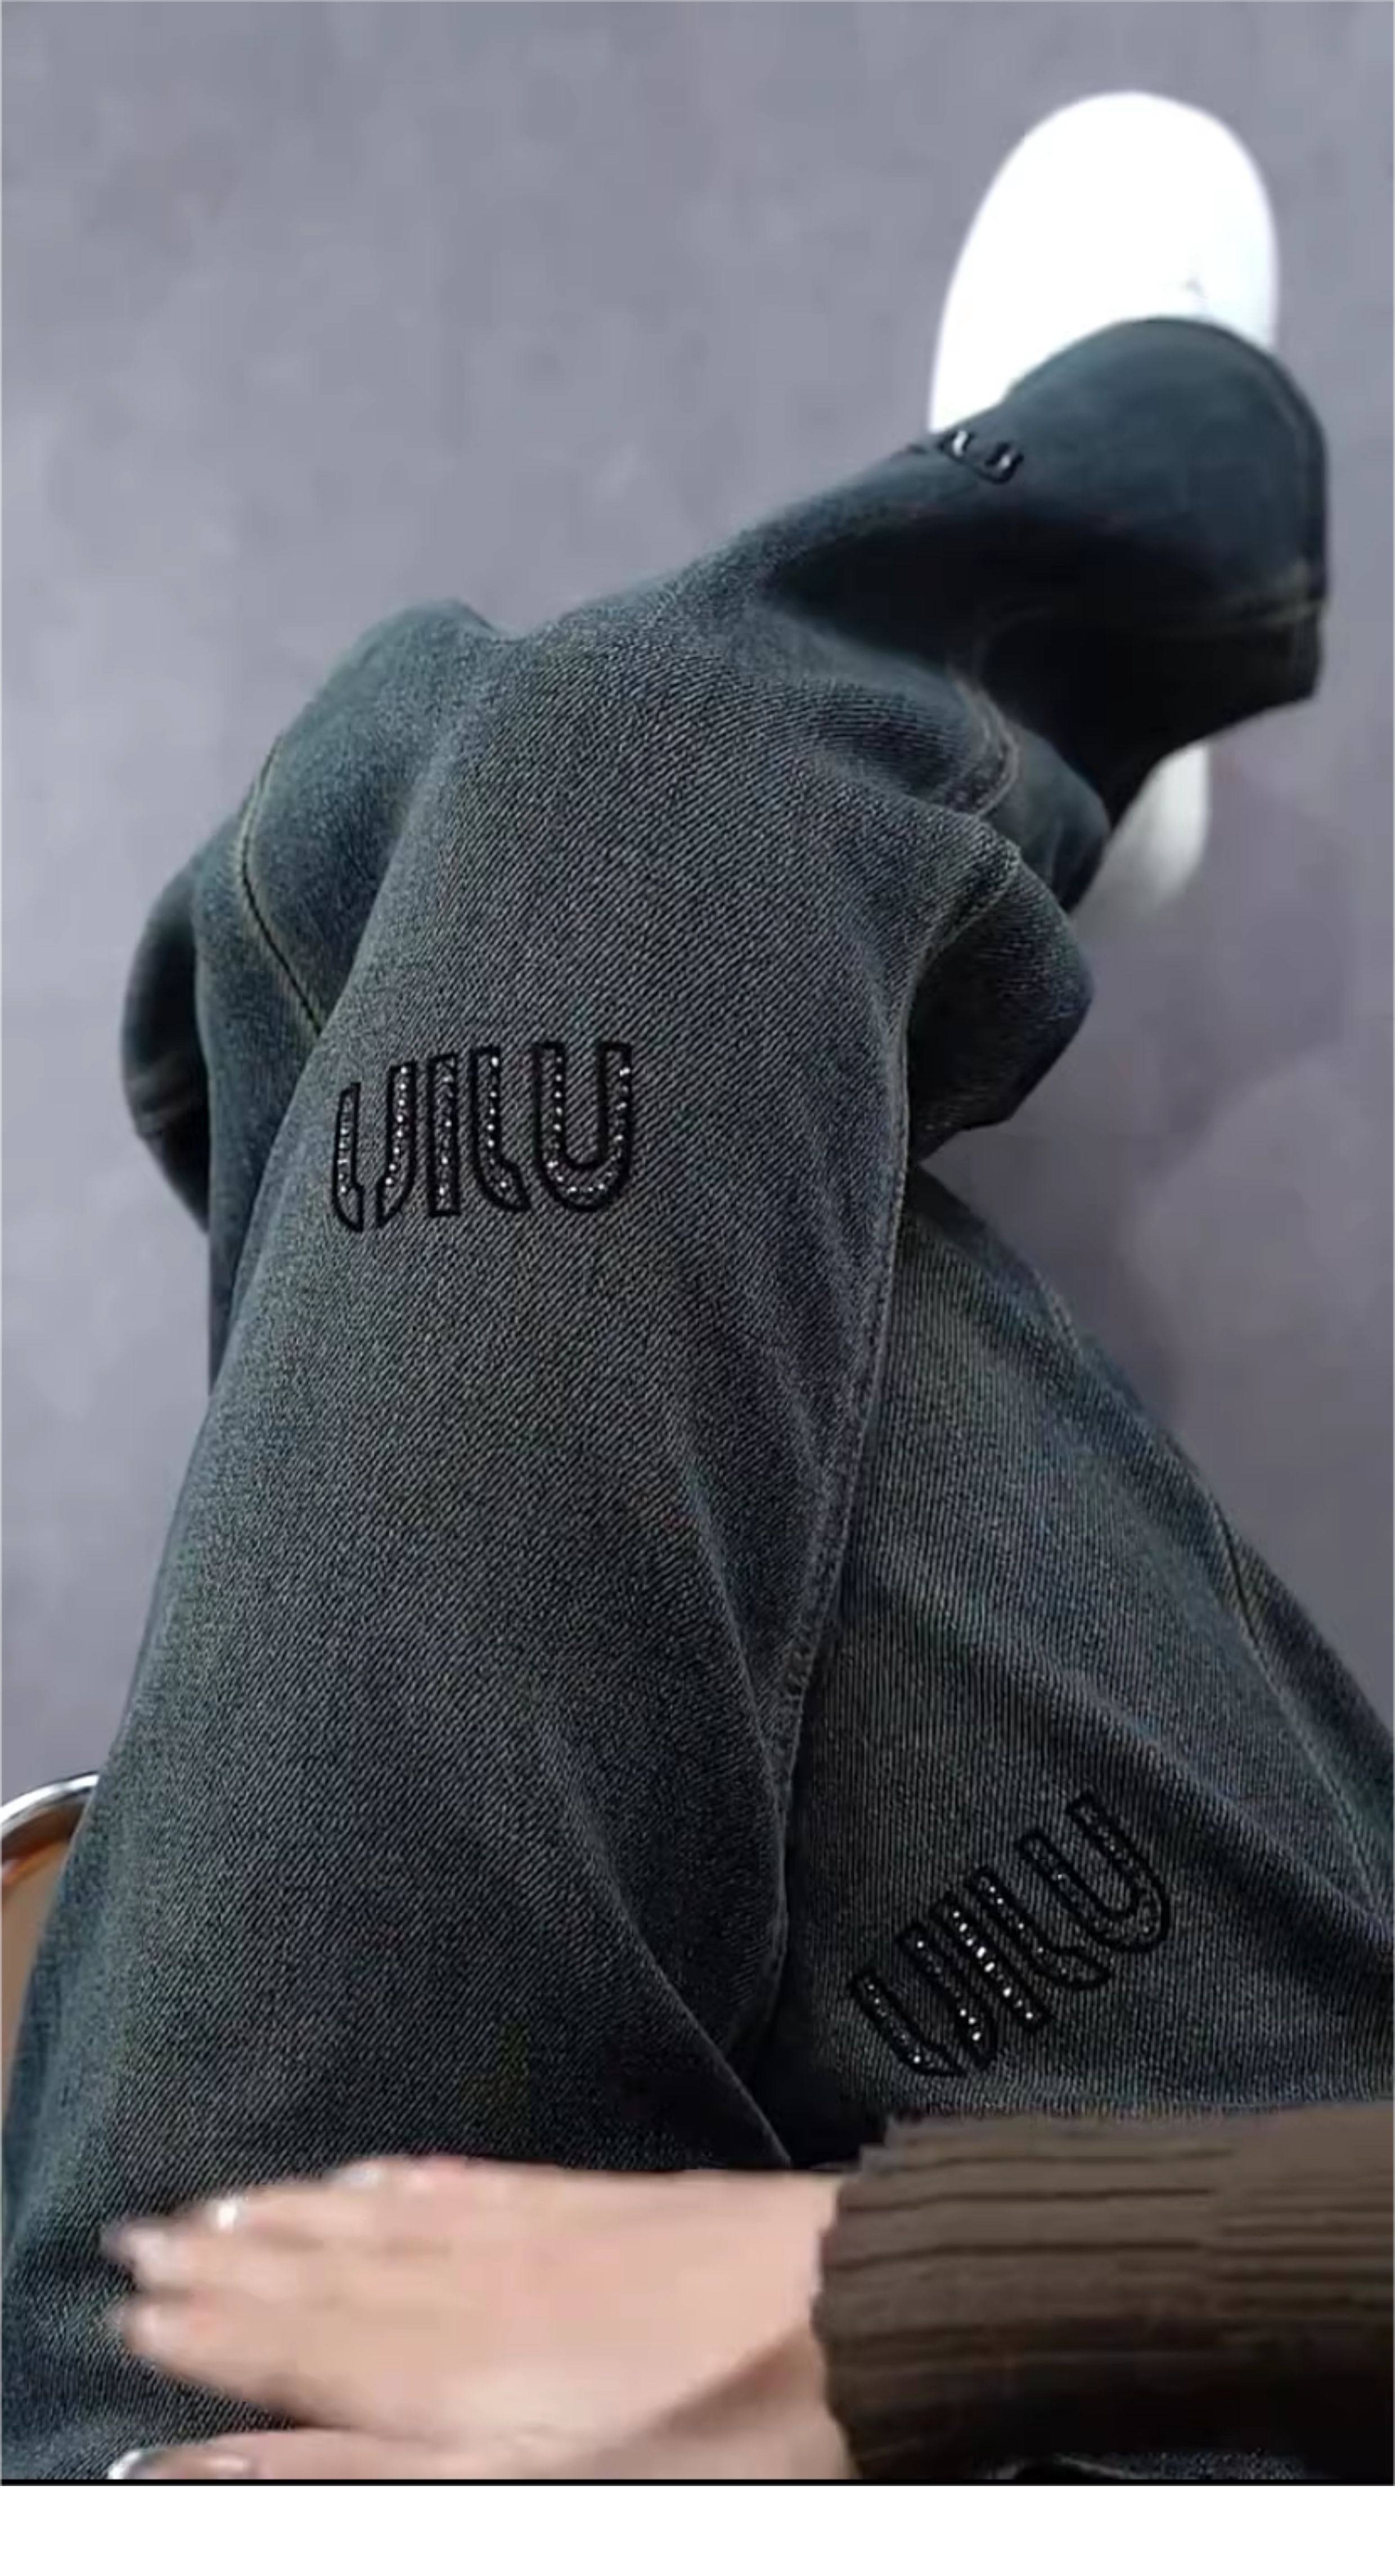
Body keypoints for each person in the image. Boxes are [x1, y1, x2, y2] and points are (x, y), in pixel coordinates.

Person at [3, 95, 1390, 2484]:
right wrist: (933, 2295)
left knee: (415, 819)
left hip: (163, 2456)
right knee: (557, 802)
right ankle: (1086, 607)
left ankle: (1079, 623)